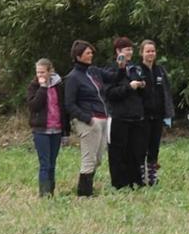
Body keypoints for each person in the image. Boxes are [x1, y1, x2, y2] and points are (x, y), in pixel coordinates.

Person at [64, 40, 108, 197]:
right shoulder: (73, 78)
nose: (91, 55)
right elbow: (69, 104)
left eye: (91, 52)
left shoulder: (91, 74)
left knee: (98, 159)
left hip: (102, 119)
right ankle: (84, 194)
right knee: (89, 158)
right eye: (87, 53)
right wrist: (88, 119)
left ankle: (88, 189)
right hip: (88, 121)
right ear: (78, 56)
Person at [104, 36, 148, 190]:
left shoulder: (135, 68)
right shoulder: (110, 70)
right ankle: (120, 184)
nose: (130, 52)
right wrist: (129, 87)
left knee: (135, 151)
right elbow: (110, 93)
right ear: (118, 51)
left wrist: (142, 85)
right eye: (127, 49)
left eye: (131, 49)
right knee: (118, 152)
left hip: (135, 116)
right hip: (119, 117)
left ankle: (136, 181)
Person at [26, 58, 69, 197]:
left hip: (56, 128)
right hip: (41, 130)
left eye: (43, 72)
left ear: (50, 71)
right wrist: (43, 88)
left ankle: (51, 191)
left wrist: (65, 131)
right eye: (38, 72)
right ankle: (44, 194)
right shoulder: (34, 86)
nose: (40, 75)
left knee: (52, 163)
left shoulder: (58, 86)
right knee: (45, 163)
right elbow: (34, 106)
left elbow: (62, 108)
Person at [138, 39, 173, 186]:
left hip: (157, 116)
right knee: (141, 147)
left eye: (153, 51)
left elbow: (166, 91)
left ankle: (152, 177)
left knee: (154, 147)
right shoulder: (137, 70)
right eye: (147, 51)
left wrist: (168, 114)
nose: (150, 54)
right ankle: (140, 176)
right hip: (142, 116)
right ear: (142, 53)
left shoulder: (160, 70)